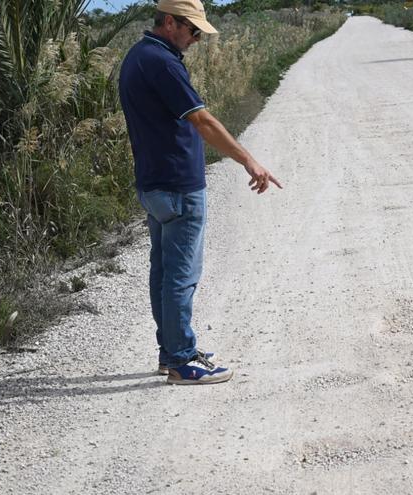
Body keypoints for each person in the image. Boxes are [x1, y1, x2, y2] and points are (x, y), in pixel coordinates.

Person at [119, 0, 281, 385]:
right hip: (177, 186)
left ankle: (169, 351)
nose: (196, 39)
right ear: (171, 22)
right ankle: (180, 359)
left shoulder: (139, 55)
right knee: (180, 275)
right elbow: (202, 121)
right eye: (193, 31)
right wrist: (248, 160)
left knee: (163, 272)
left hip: (154, 182)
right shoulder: (163, 62)